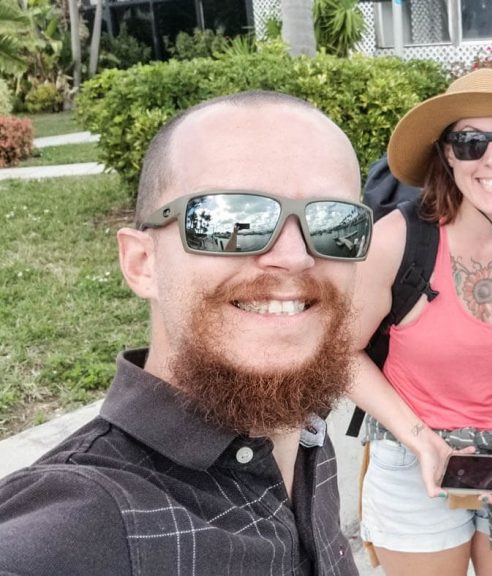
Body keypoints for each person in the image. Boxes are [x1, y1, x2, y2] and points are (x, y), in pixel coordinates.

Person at [0, 91, 370, 575]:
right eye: (230, 219)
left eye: (334, 222)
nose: (296, 257)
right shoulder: (79, 528)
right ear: (141, 263)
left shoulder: (305, 430)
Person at [348, 68, 492, 576]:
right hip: (415, 462)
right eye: (470, 142)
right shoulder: (397, 240)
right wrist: (420, 439)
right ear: (447, 154)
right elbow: (340, 354)